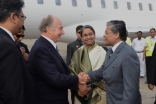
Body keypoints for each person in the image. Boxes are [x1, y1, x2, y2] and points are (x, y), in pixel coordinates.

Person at [28, 15, 90, 104]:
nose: (63, 32)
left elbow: (62, 71)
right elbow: (56, 79)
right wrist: (78, 79)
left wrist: (77, 79)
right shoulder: (41, 49)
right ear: (49, 29)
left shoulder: (47, 46)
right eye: (60, 28)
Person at [81, 20, 141, 104]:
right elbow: (104, 70)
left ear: (116, 34)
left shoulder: (128, 54)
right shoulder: (110, 51)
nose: (104, 35)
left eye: (106, 33)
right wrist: (87, 76)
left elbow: (131, 90)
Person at [0, 0, 34, 104]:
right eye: (22, 17)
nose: (23, 21)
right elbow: (11, 93)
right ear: (13, 17)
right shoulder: (6, 45)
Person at [69, 25, 106, 104]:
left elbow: (104, 72)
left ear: (94, 35)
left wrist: (88, 87)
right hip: (79, 92)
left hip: (98, 92)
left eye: (90, 34)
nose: (88, 37)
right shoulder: (78, 52)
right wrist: (80, 86)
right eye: (85, 35)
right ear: (81, 37)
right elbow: (72, 70)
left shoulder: (102, 51)